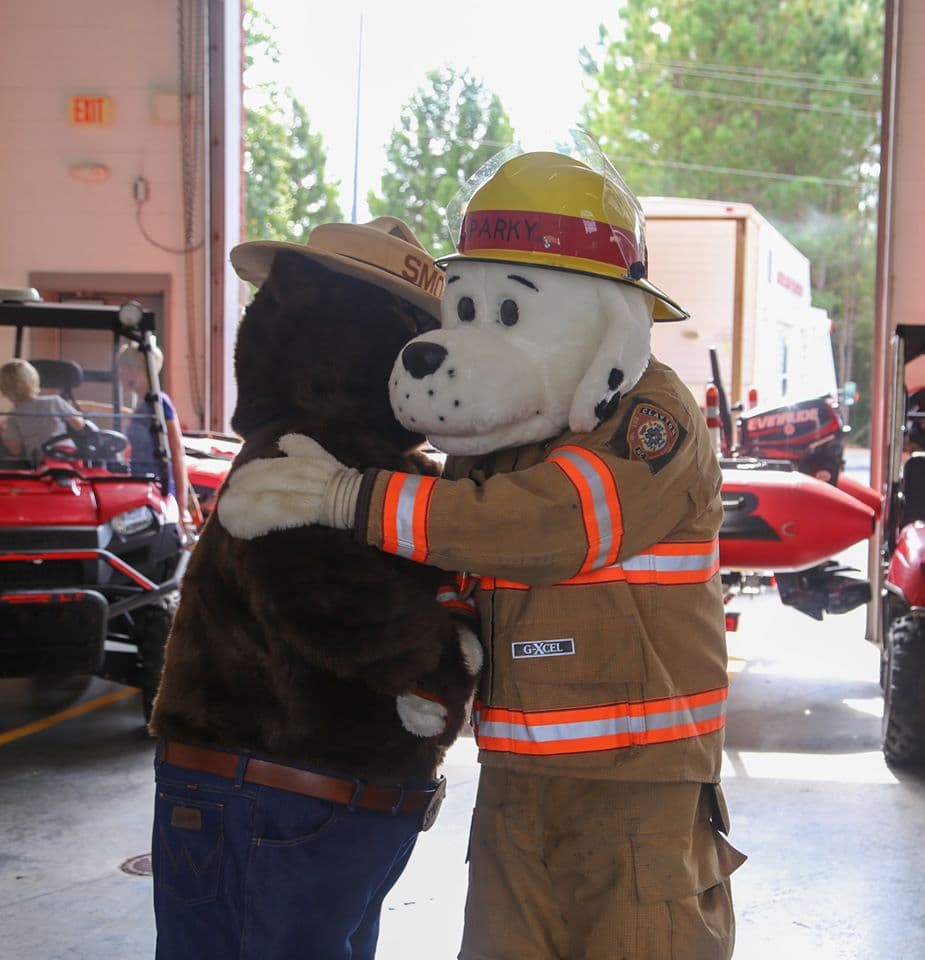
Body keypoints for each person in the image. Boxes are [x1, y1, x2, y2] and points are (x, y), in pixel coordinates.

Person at [217, 140, 746, 960]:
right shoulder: (494, 438)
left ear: (613, 325)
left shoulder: (650, 418)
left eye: (512, 311)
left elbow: (552, 525)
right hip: (515, 782)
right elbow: (472, 562)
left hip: (638, 787)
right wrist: (447, 651)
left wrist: (346, 496)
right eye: (466, 307)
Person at [116, 341, 189, 532]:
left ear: (134, 370)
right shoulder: (142, 404)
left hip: (158, 492)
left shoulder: (160, 403)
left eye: (122, 369)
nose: (120, 375)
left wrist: (181, 508)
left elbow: (177, 452)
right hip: (139, 489)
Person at [0, 358, 85, 460]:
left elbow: (16, 450)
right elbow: (79, 425)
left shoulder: (13, 416)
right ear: (34, 380)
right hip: (67, 453)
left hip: (40, 460)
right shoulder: (54, 401)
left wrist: (3, 432)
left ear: (4, 389)